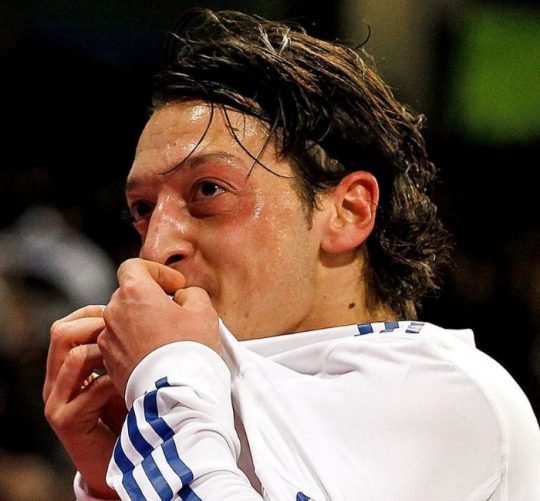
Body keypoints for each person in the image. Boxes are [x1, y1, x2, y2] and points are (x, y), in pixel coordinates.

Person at [43, 8, 540, 501]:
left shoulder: (450, 395)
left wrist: (164, 386)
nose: (155, 248)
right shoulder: (201, 403)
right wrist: (113, 482)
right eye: (143, 209)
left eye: (209, 189)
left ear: (348, 211)